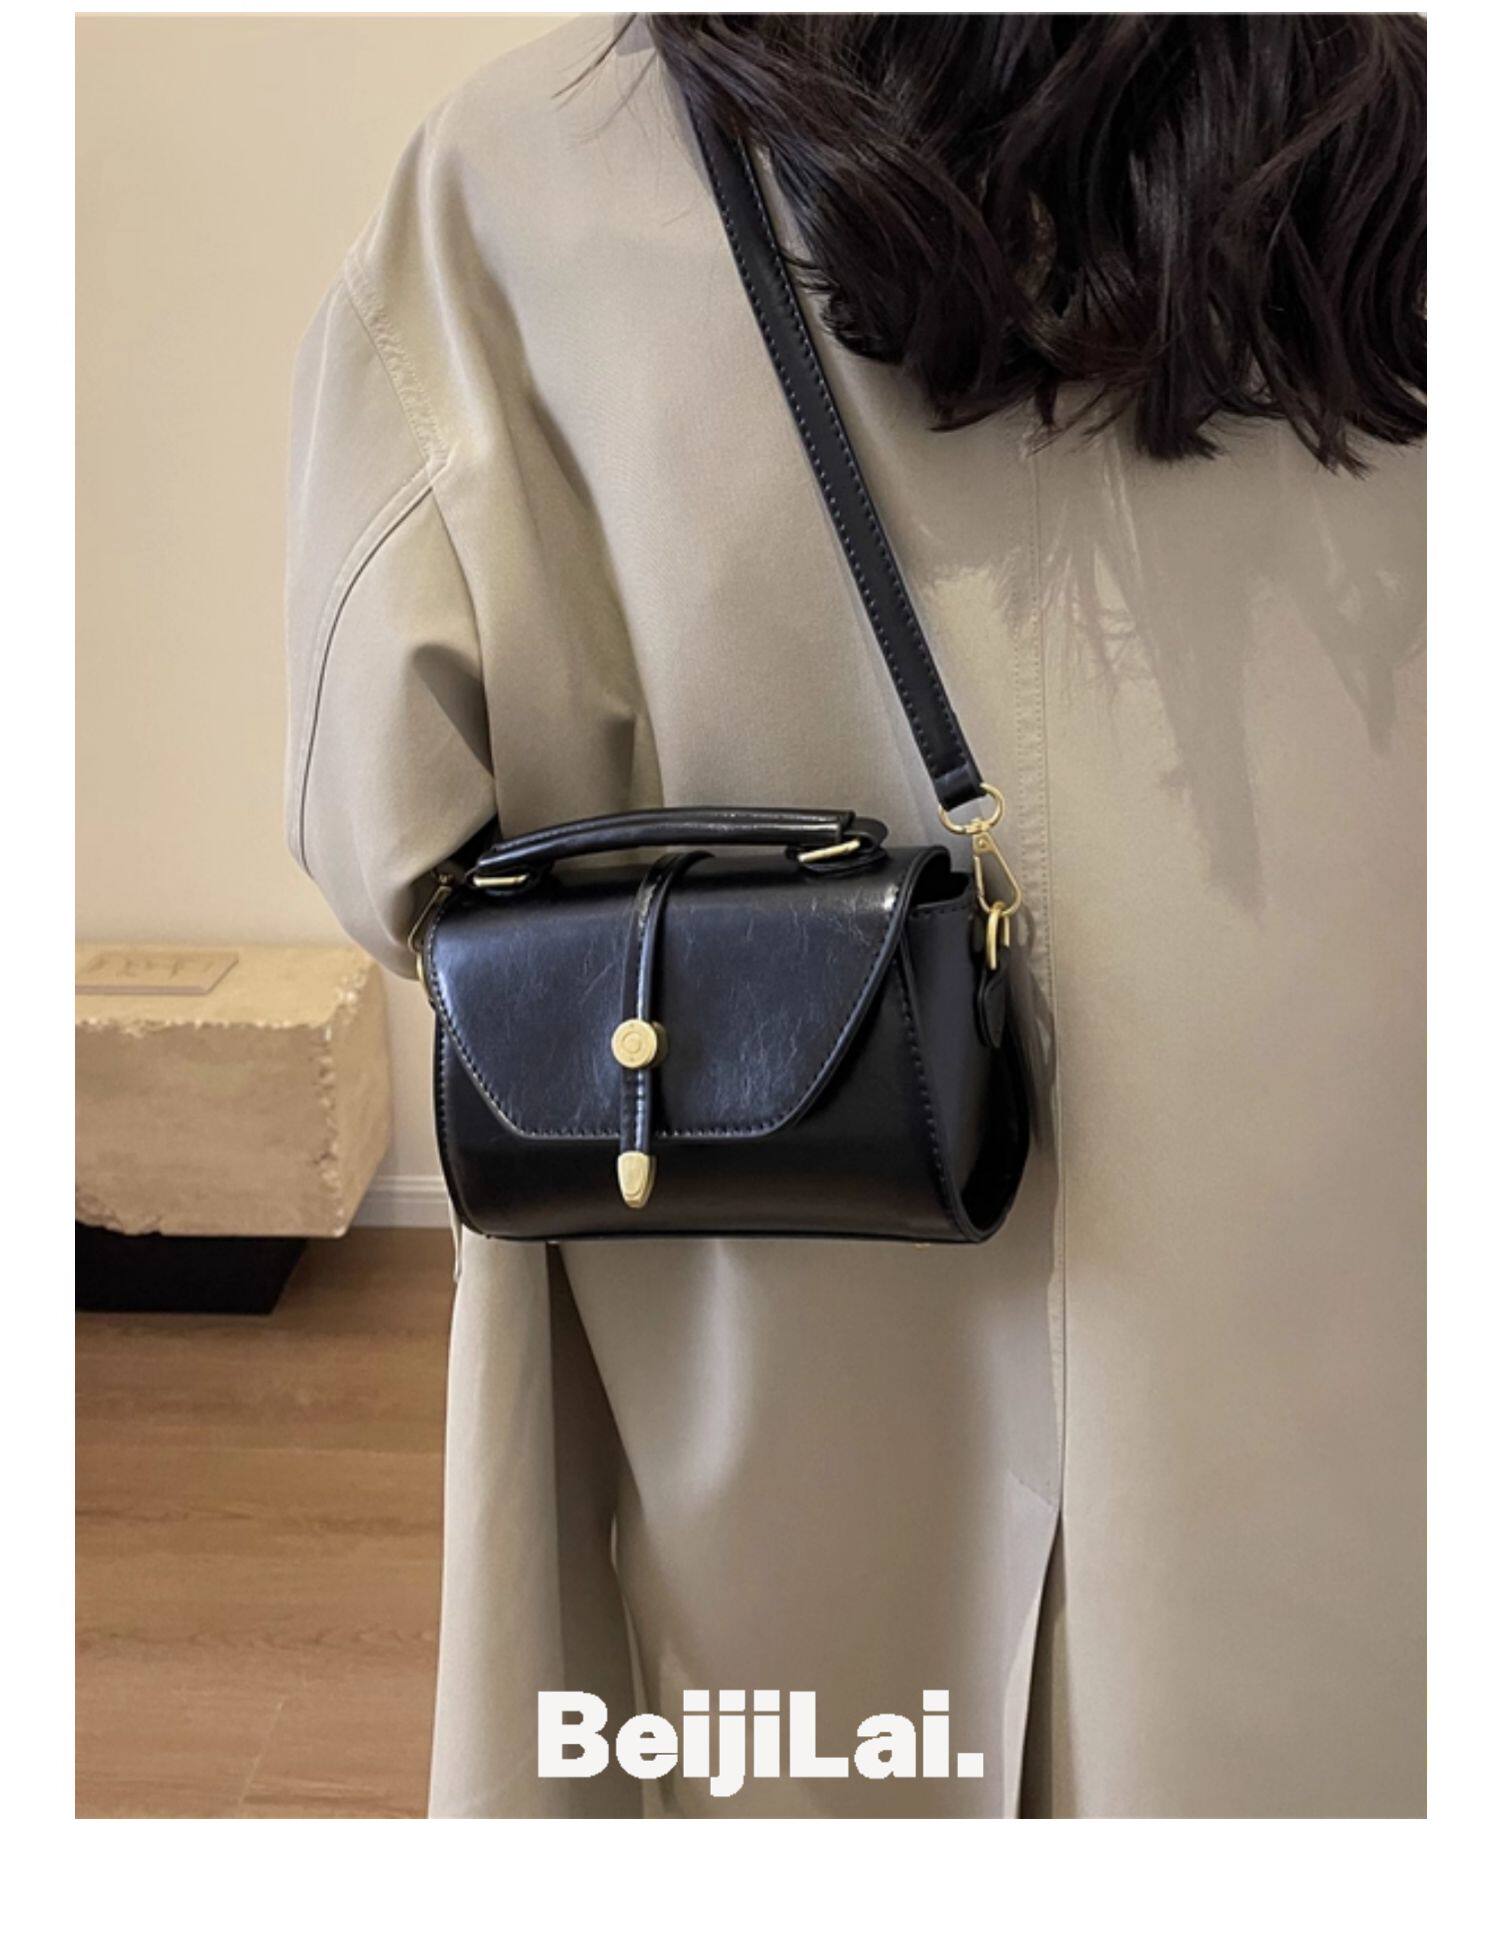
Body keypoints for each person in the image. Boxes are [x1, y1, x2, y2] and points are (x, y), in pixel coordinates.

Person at [284, 14, 1425, 1818]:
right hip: (1366, 1440)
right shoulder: (1413, 153)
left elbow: (388, 832)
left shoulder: (526, 170)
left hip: (773, 1377)